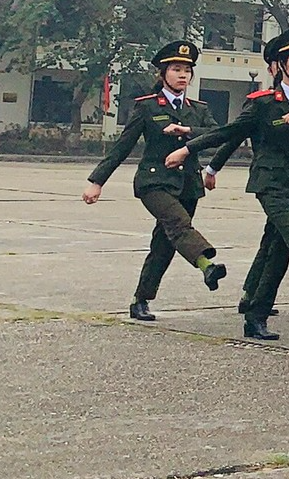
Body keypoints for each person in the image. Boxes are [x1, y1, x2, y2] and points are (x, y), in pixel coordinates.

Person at [174, 28, 289, 340]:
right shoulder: (263, 103)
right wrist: (188, 149)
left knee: (278, 253)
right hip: (270, 184)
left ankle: (256, 317)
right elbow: (229, 133)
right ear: (280, 65)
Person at [84, 41, 227, 319]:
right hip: (154, 182)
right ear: (163, 74)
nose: (182, 75)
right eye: (176, 69)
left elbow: (217, 134)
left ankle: (141, 299)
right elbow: (122, 147)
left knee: (164, 245)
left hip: (188, 184)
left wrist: (187, 132)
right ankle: (206, 264)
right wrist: (97, 181)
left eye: (187, 70)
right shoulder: (147, 107)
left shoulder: (197, 109)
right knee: (178, 224)